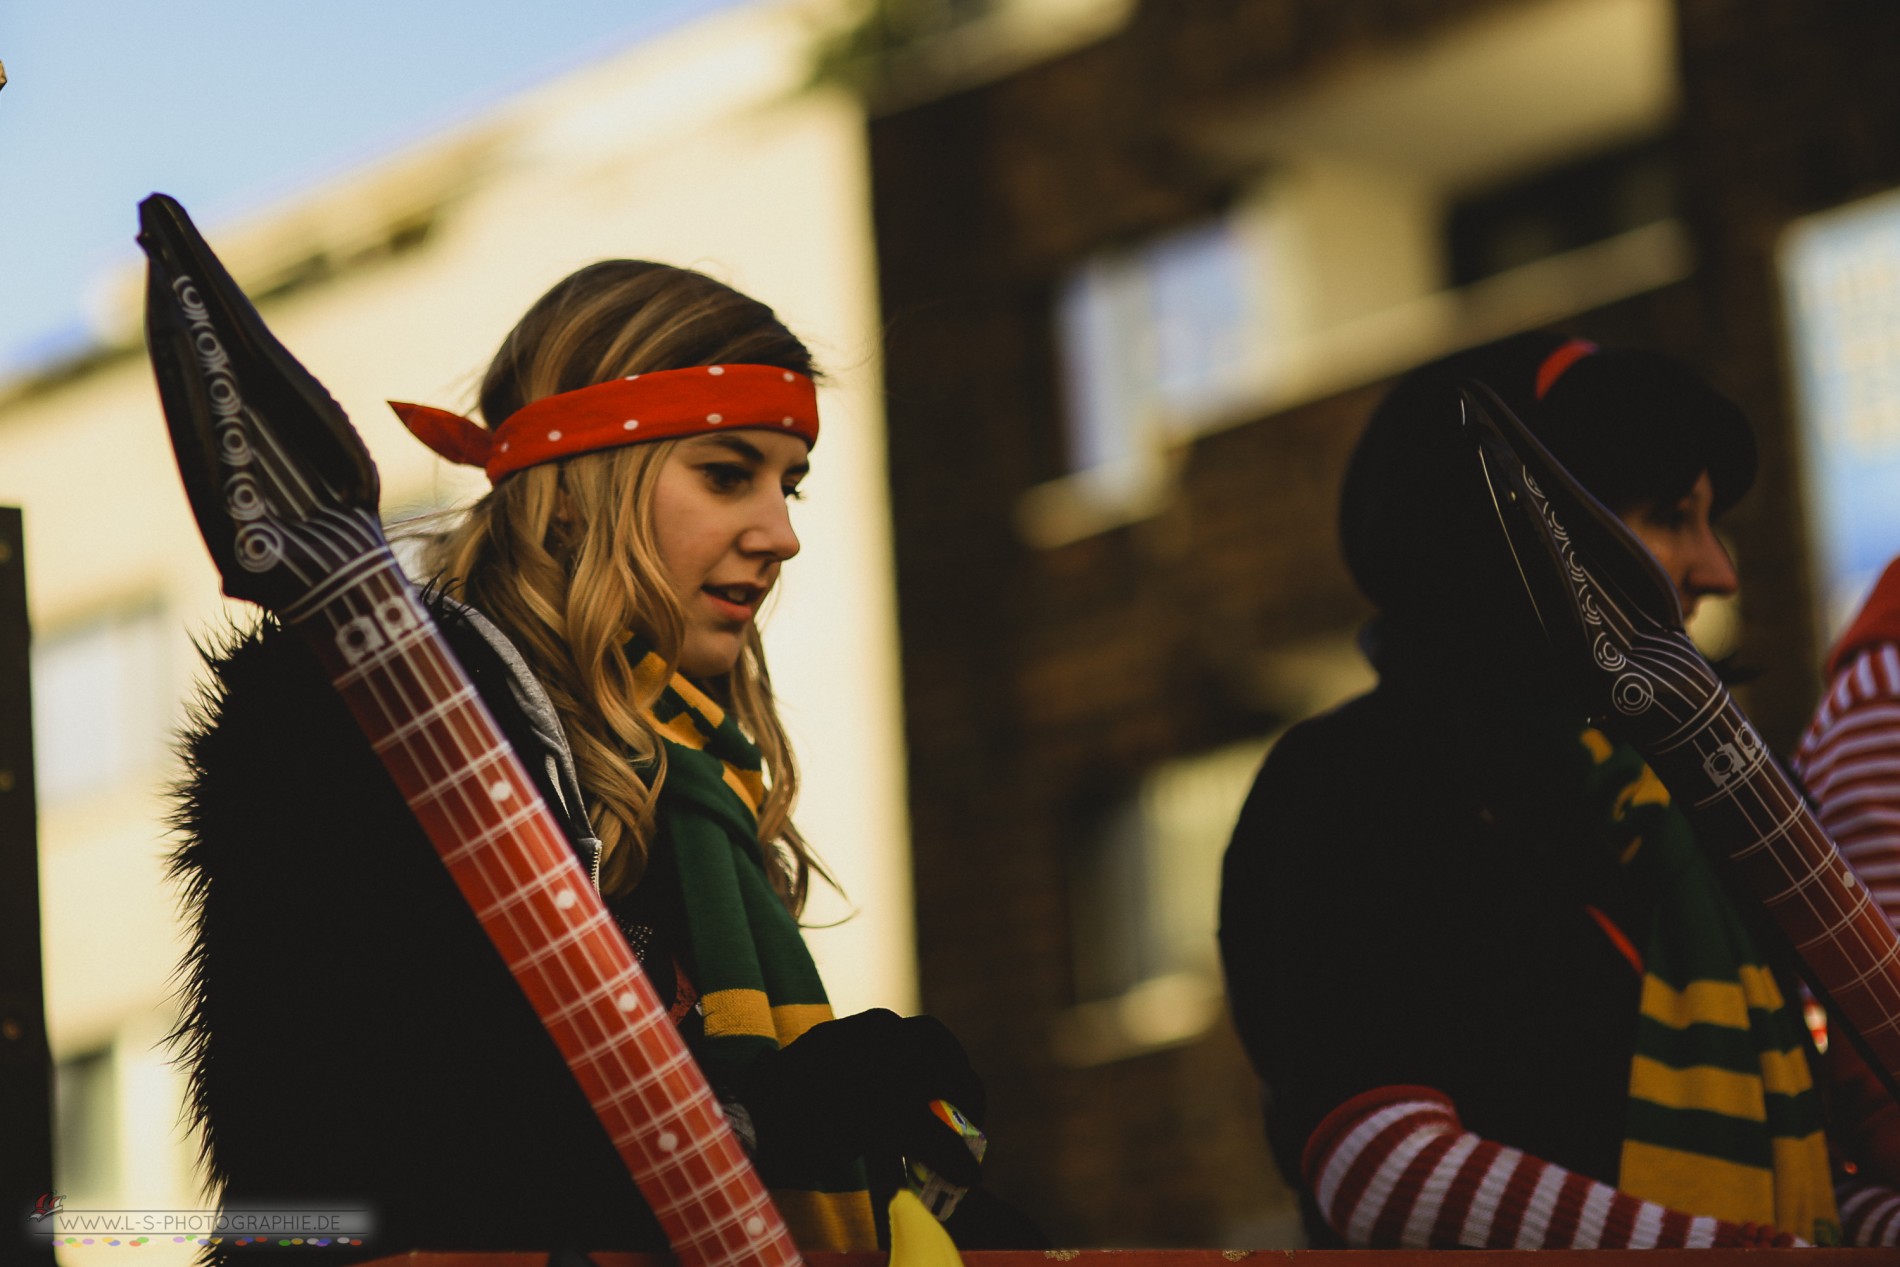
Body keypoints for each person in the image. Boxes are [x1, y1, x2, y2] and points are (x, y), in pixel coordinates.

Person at [171, 261, 989, 1261]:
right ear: (572, 492)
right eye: (728, 473)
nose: (781, 534)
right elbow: (363, 1144)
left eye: (791, 484)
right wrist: (776, 1114)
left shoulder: (696, 776)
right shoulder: (375, 726)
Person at [1217, 331, 1900, 1249]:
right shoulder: (1356, 780)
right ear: (1525, 532)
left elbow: (1800, 1185)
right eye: (1670, 515)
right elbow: (1376, 1161)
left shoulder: (1701, 817)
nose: (1718, 570)